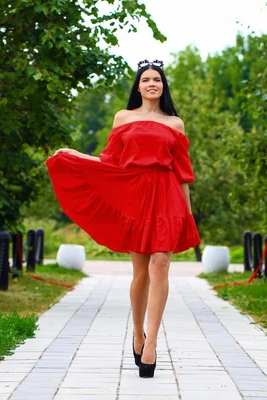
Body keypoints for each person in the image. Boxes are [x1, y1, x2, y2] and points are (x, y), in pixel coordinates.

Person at [46, 59, 200, 378]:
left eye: (157, 79)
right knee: (141, 272)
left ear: (163, 85)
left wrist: (187, 214)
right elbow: (109, 161)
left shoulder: (175, 124)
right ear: (138, 86)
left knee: (160, 265)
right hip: (134, 195)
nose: (151, 83)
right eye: (146, 79)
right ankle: (138, 332)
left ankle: (153, 344)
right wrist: (76, 156)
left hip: (167, 194)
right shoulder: (123, 117)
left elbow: (183, 173)